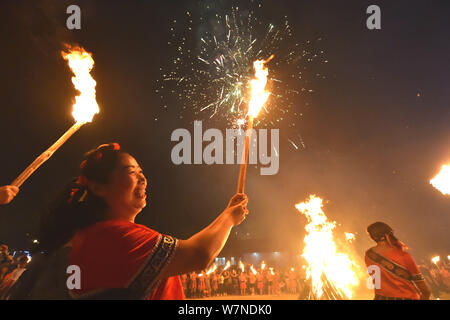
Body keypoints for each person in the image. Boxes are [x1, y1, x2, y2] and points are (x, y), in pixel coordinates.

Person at [8, 143, 249, 300]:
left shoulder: (90, 236)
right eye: (131, 171)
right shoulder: (113, 237)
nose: (143, 177)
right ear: (99, 187)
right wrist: (229, 217)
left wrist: (227, 213)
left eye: (142, 171)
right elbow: (198, 254)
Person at [365, 222, 431, 300]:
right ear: (389, 234)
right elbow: (425, 290)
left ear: (373, 237)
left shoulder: (368, 255)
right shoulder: (403, 256)